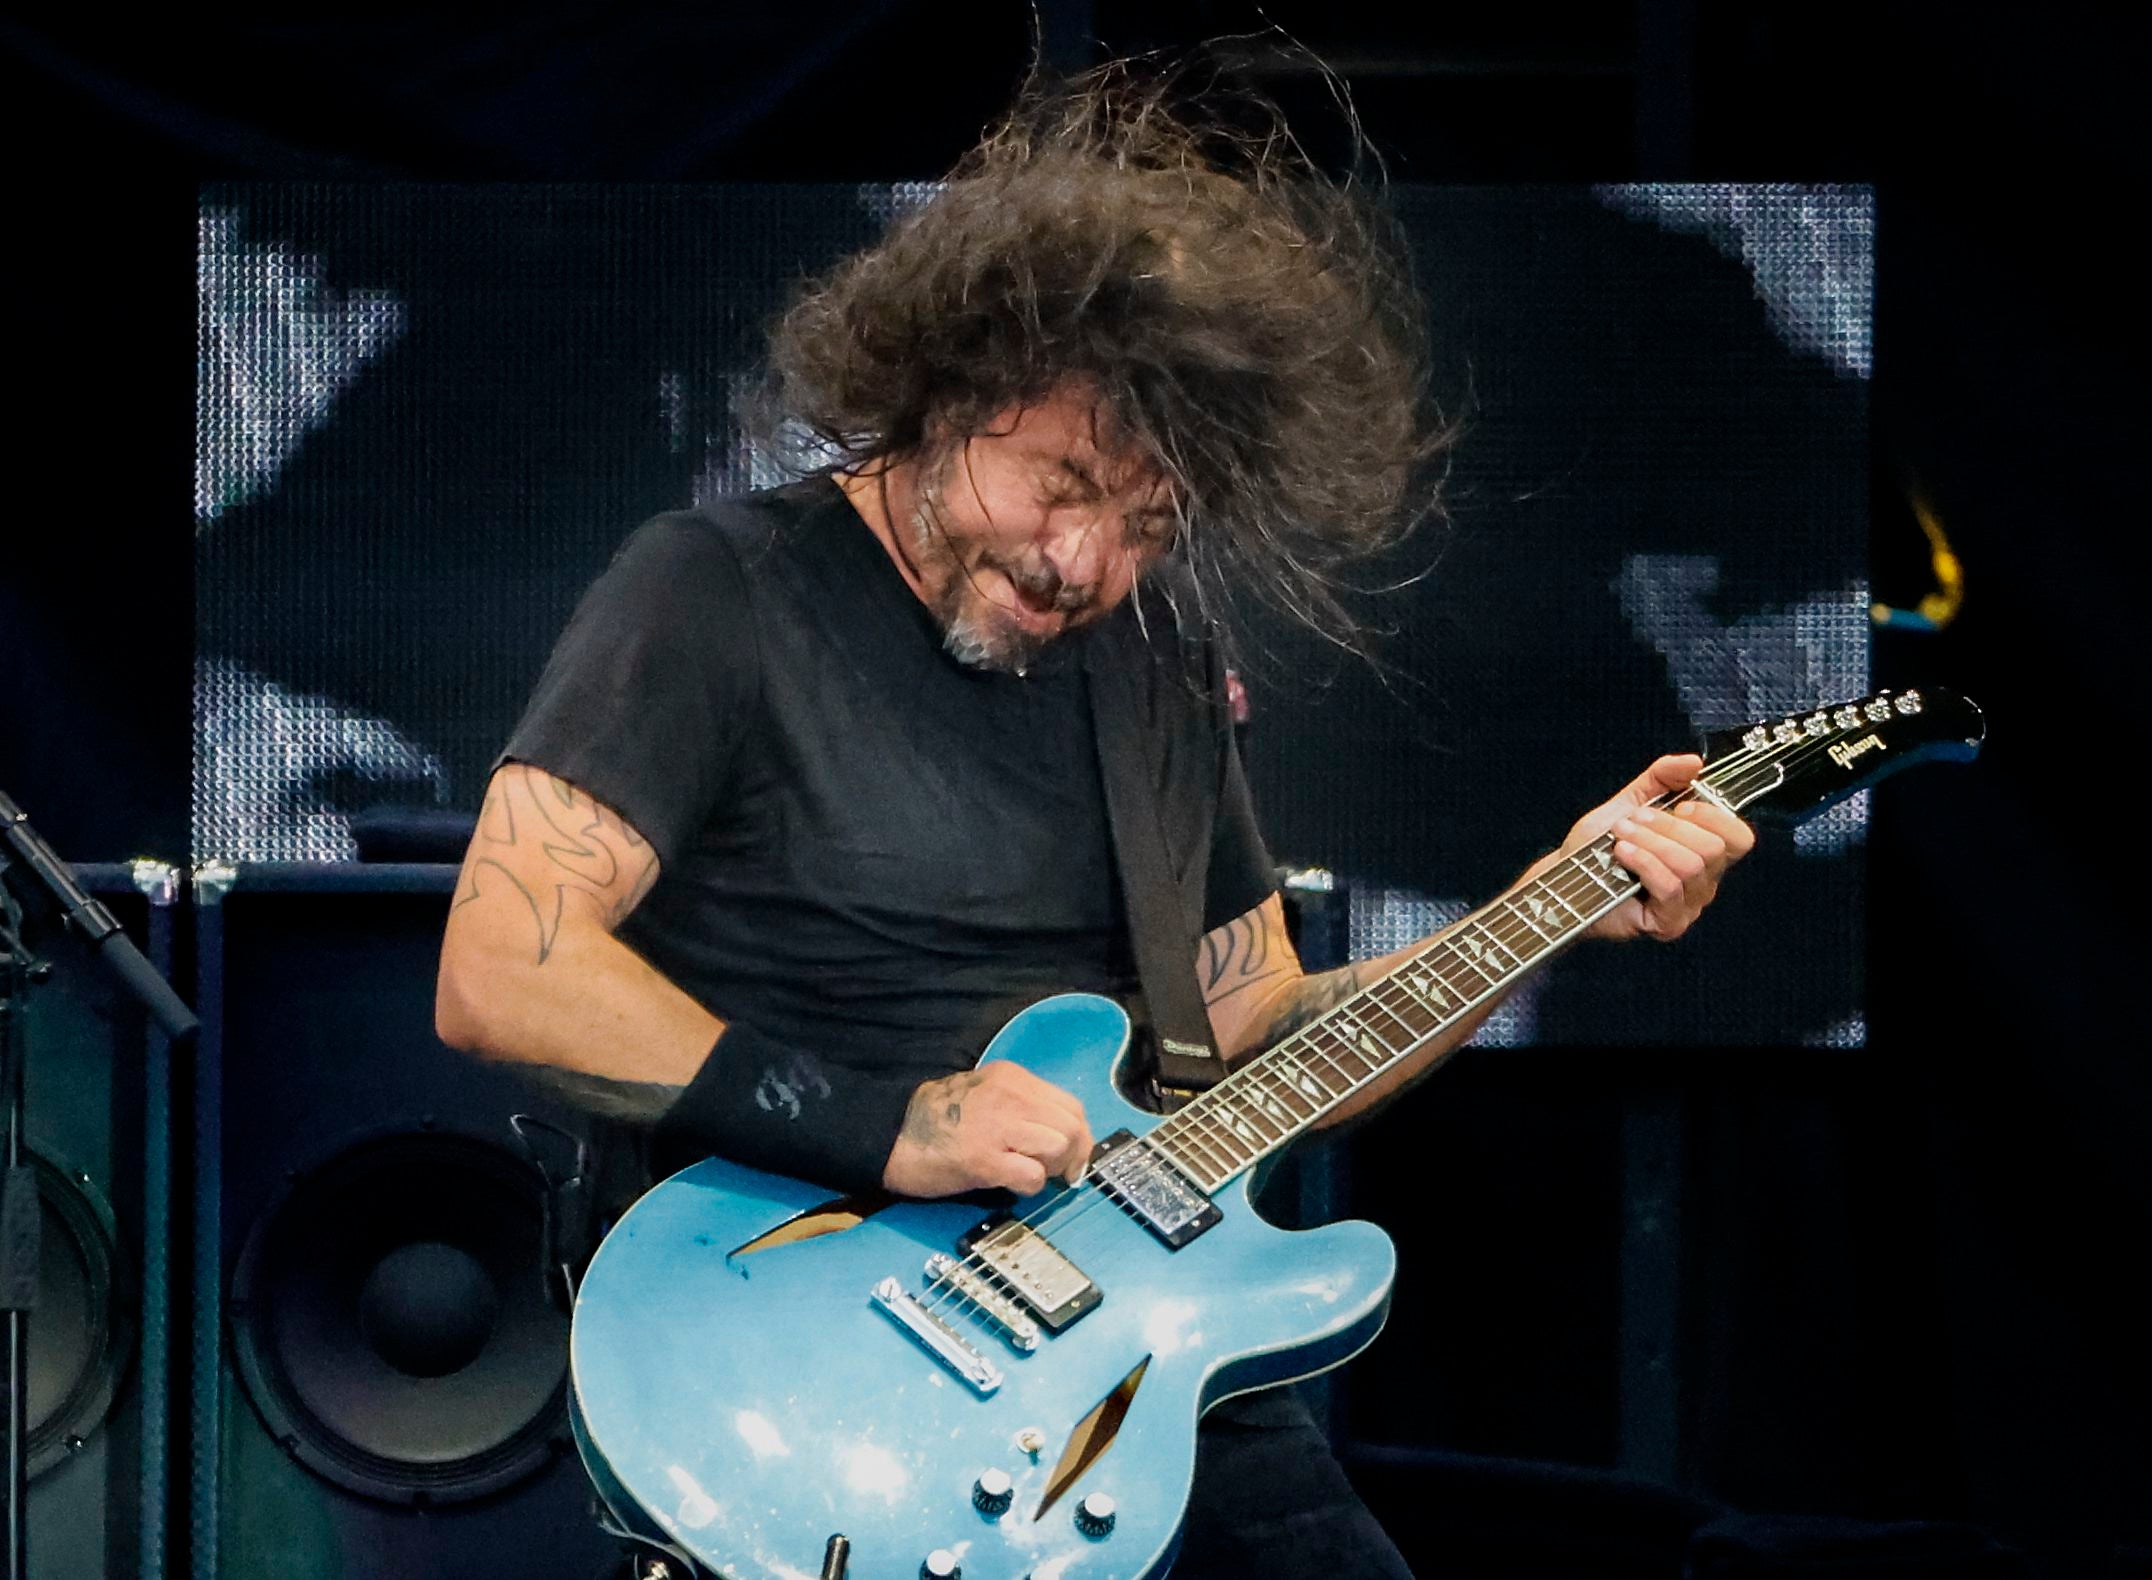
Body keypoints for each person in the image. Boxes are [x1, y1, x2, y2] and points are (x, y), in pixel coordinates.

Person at [434, 62, 1754, 1580]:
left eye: (1148, 524)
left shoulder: (1156, 665)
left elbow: (1257, 1038)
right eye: (1064, 484)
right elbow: (501, 970)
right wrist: (896, 1122)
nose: (1085, 563)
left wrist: (1544, 910)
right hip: (810, 1330)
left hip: (1124, 1346)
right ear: (948, 387)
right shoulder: (714, 589)